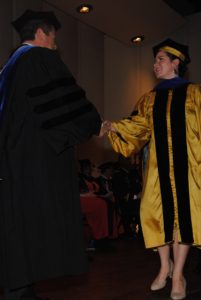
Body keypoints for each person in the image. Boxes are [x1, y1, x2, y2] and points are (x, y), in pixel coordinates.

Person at [0, 9, 103, 300]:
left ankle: (19, 289)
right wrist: (94, 124)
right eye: (54, 37)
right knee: (36, 224)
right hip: (33, 163)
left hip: (10, 165)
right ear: (43, 33)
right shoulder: (40, 59)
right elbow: (64, 104)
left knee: (15, 228)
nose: (56, 44)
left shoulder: (8, 69)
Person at [103, 38, 201, 299]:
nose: (155, 64)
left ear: (175, 62)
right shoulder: (148, 99)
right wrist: (115, 127)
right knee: (155, 215)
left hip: (190, 168)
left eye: (160, 59)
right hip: (158, 169)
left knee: (186, 220)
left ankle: (178, 274)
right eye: (155, 60)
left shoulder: (196, 93)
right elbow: (137, 128)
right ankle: (163, 267)